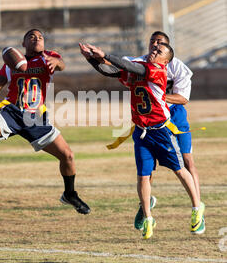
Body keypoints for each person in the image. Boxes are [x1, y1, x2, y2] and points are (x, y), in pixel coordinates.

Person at [0, 29, 90, 215]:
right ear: (23, 44)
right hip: (13, 111)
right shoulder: (11, 65)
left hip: (35, 117)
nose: (37, 39)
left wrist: (57, 62)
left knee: (67, 155)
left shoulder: (49, 57)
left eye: (40, 37)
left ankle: (69, 194)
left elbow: (62, 65)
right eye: (32, 37)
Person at [79, 41, 205, 239]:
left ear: (166, 60)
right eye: (153, 48)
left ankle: (197, 207)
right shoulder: (141, 69)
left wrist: (105, 54)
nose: (154, 51)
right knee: (143, 175)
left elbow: (128, 66)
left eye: (159, 51)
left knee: (179, 170)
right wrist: (91, 60)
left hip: (161, 131)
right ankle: (148, 218)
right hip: (141, 131)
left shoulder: (157, 70)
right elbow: (111, 72)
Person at [124, 31, 201, 231]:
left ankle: (197, 207)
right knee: (146, 171)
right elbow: (124, 67)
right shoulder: (141, 62)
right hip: (149, 122)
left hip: (173, 118)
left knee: (186, 161)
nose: (155, 45)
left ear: (167, 50)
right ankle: (145, 206)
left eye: (160, 43)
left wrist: (157, 96)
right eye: (152, 42)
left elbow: (183, 98)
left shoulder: (178, 67)